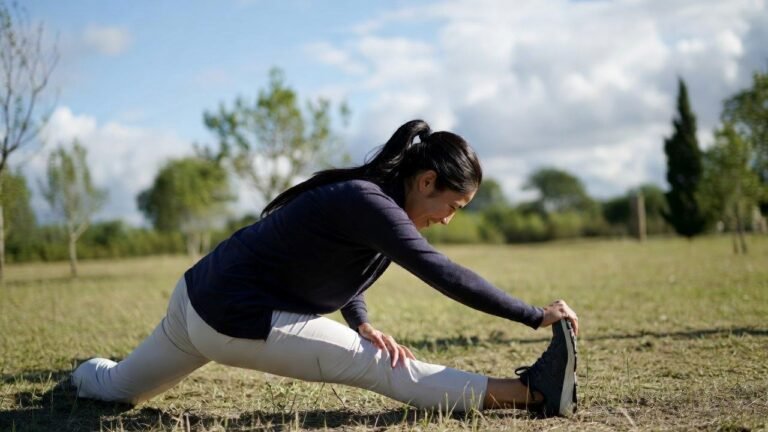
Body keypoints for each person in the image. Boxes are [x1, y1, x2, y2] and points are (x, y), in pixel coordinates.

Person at [71, 119, 579, 417]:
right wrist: (534, 315)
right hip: (231, 316)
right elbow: (442, 273)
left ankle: (81, 373)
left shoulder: (373, 203)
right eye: (454, 206)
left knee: (117, 388)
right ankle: (533, 392)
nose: (448, 220)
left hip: (196, 297)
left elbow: (343, 265)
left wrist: (359, 321)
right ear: (427, 182)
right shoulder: (371, 204)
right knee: (382, 366)